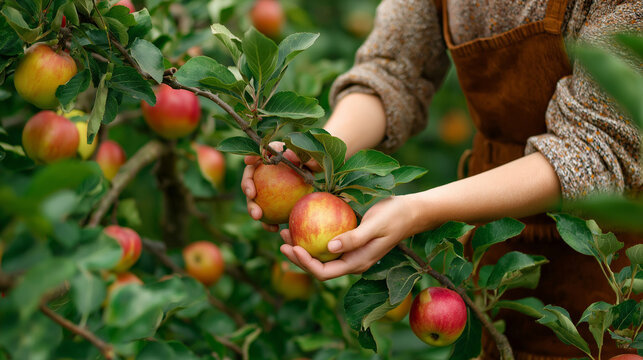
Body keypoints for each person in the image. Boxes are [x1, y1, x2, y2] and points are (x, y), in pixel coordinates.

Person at [242, 0, 642, 358]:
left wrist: (419, 210)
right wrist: (317, 153)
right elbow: (393, 68)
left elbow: (593, 149)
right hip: (492, 248)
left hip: (611, 272)